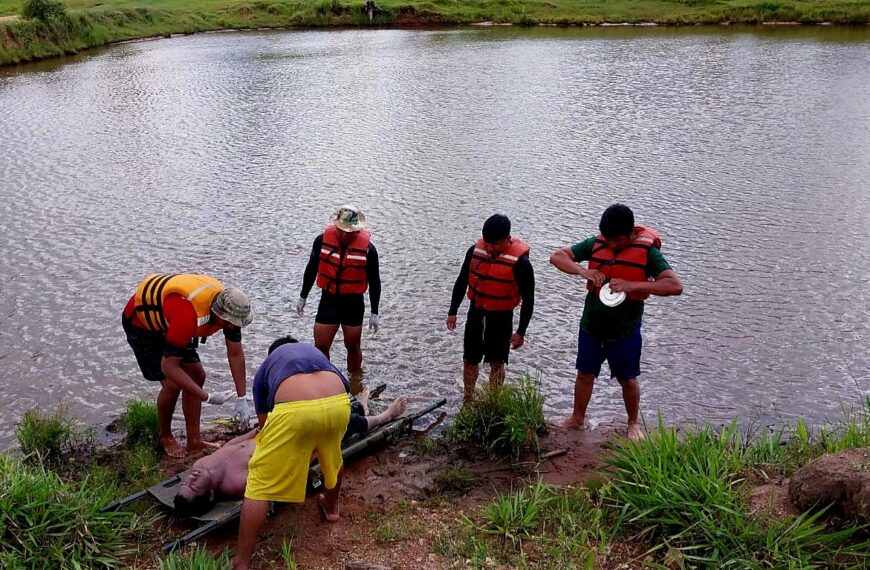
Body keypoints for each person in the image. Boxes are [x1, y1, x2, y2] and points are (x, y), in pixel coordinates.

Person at [550, 204, 683, 441]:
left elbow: (675, 286)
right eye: (608, 239)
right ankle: (577, 419)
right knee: (584, 374)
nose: (611, 245)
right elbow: (557, 257)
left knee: (627, 379)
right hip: (592, 325)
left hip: (625, 330)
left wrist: (633, 285)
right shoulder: (596, 243)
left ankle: (633, 423)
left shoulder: (648, 253)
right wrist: (583, 272)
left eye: (617, 241)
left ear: (631, 234)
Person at [173, 387, 407, 517]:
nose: (191, 479)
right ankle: (384, 416)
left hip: (269, 433)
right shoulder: (235, 484)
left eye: (186, 483)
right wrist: (313, 450)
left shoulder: (199, 466)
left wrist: (255, 430)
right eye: (194, 487)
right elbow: (283, 469)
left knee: (316, 408)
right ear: (210, 494)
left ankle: (361, 405)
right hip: (289, 444)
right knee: (343, 424)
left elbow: (230, 446)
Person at [233, 336, 351, 570]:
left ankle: (241, 562)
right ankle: (331, 509)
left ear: (272, 354)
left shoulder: (267, 367)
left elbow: (265, 427)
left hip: (296, 411)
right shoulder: (314, 353)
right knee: (332, 455)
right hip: (338, 402)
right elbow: (345, 386)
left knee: (259, 482)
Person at [122, 273, 253, 458]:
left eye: (236, 324)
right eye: (229, 323)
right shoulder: (188, 314)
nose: (232, 327)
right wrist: (207, 397)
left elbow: (235, 354)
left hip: (171, 322)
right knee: (172, 384)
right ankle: (165, 436)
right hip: (142, 324)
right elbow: (169, 367)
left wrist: (242, 398)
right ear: (218, 313)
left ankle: (194, 441)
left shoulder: (231, 315)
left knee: (197, 375)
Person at [446, 214, 535, 404]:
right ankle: (468, 400)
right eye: (487, 242)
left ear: (507, 239)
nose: (489, 247)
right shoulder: (474, 251)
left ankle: (493, 402)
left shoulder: (522, 264)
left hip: (501, 318)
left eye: (494, 244)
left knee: (497, 362)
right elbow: (462, 281)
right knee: (470, 359)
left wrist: (521, 331)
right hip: (476, 313)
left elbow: (528, 299)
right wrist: (453, 311)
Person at [295, 205, 381, 376]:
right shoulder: (321, 241)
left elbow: (375, 282)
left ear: (357, 230)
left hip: (353, 303)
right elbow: (311, 269)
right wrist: (303, 296)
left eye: (349, 231)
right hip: (329, 300)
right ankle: (324, 379)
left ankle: (355, 379)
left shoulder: (368, 250)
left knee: (353, 346)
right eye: (341, 230)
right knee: (320, 346)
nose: (344, 234)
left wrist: (374, 312)